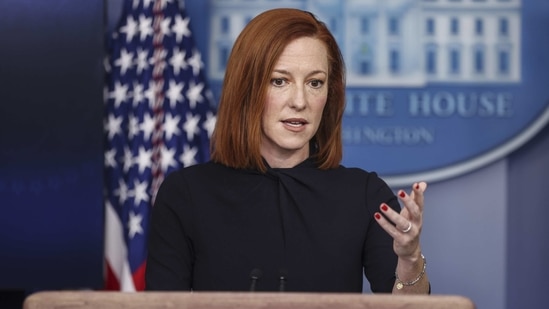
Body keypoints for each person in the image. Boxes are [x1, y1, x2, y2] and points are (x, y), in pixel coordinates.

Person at [145, 8, 430, 294]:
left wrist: (409, 259)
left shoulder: (366, 194)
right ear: (246, 88)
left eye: (314, 83)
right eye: (279, 81)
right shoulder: (186, 194)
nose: (299, 101)